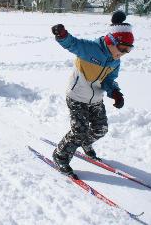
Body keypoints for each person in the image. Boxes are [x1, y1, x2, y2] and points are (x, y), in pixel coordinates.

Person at [51, 10, 134, 179]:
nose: (123, 53)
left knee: (101, 129)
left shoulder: (115, 61)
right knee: (79, 130)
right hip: (77, 96)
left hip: (96, 98)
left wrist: (115, 92)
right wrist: (62, 35)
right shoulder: (91, 49)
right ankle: (60, 156)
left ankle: (84, 143)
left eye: (128, 50)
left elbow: (109, 79)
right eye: (122, 48)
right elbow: (72, 43)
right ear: (112, 41)